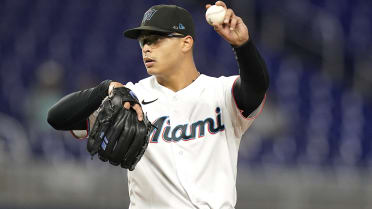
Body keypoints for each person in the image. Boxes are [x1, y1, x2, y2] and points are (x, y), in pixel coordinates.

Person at [47, 1, 269, 208]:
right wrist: (105, 89)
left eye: (156, 39)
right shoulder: (129, 98)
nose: (146, 48)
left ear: (186, 42)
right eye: (143, 41)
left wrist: (243, 45)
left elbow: (257, 87)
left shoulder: (221, 92)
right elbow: (56, 118)